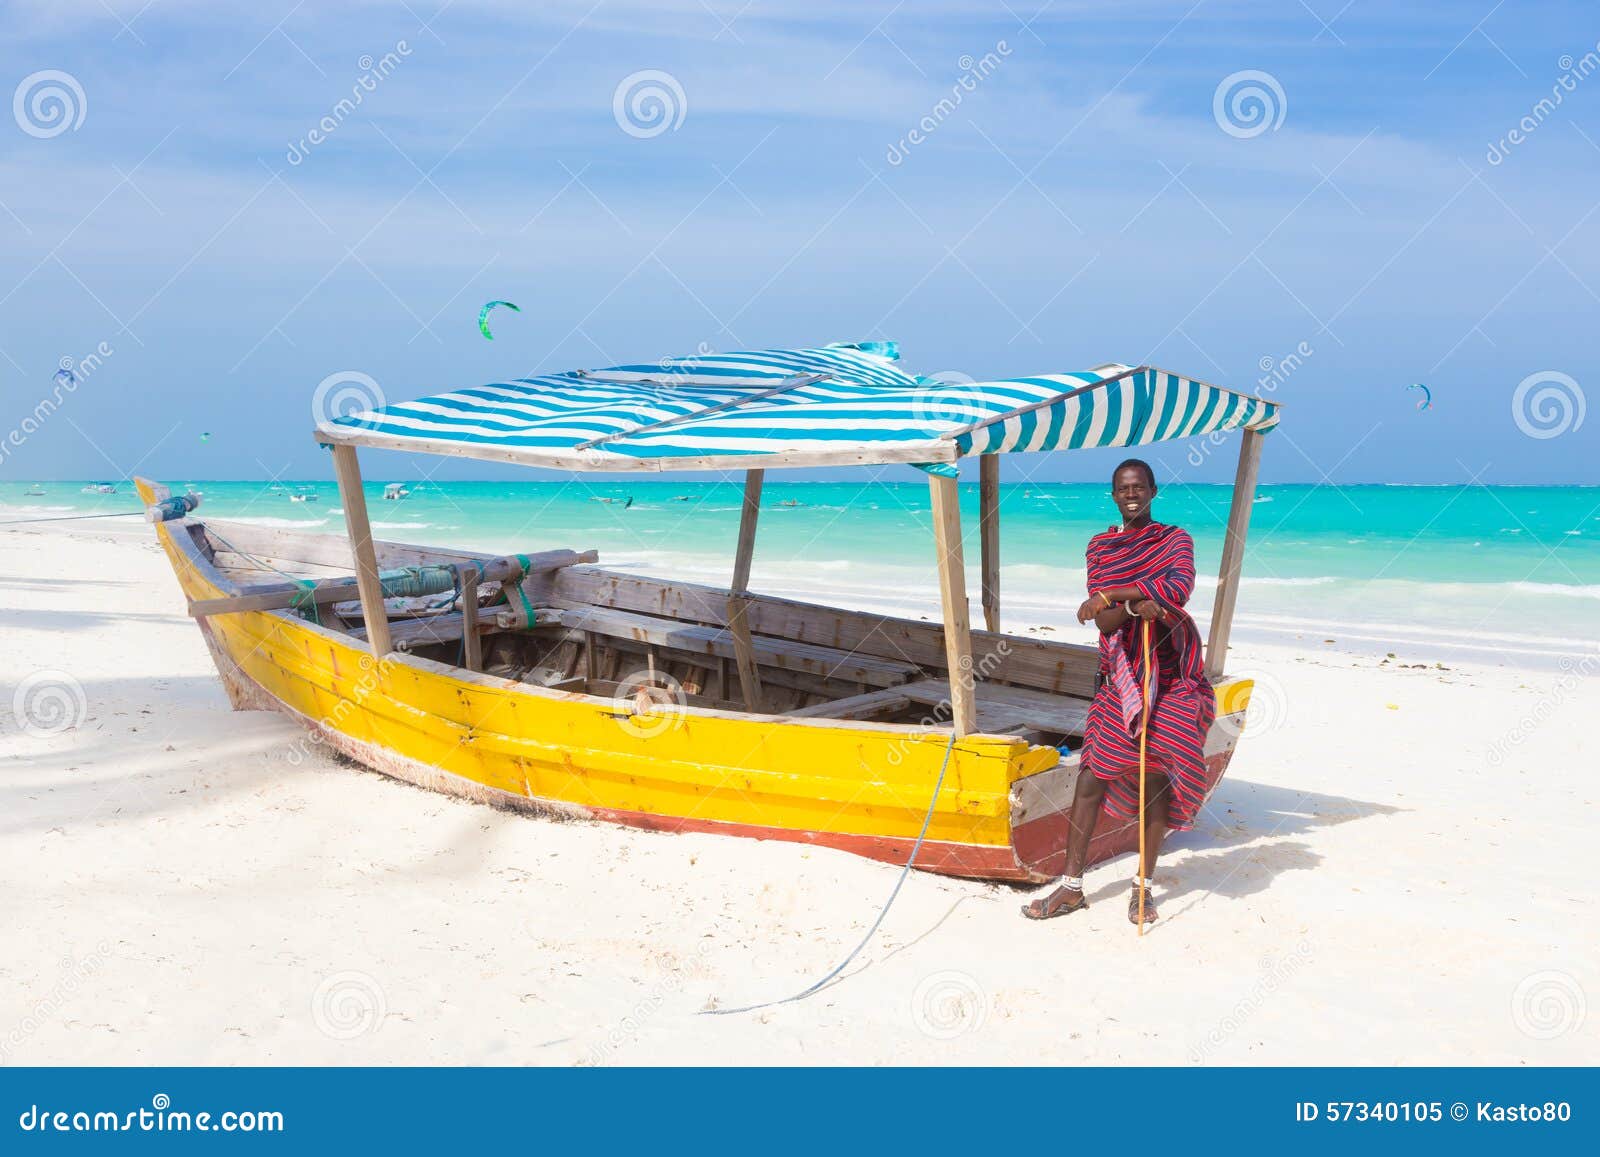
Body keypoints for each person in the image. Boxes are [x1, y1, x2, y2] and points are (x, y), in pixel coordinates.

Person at [1023, 458, 1214, 925]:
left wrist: (1113, 597)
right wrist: (1132, 606)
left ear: (1153, 490)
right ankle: (1071, 888)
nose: (1131, 494)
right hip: (1123, 676)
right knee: (1091, 779)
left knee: (1157, 781)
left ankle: (1142, 888)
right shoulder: (1101, 546)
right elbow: (1104, 621)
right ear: (1113, 495)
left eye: (1139, 487)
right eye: (1123, 488)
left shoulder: (1175, 539)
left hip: (1170, 679)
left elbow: (1178, 590)